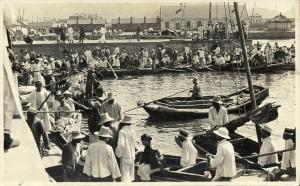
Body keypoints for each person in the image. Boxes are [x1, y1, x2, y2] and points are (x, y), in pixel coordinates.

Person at [115, 116, 137, 182]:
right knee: (130, 176)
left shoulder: (122, 132)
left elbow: (121, 144)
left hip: (125, 156)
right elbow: (135, 145)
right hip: (132, 156)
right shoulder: (133, 132)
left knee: (124, 177)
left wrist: (117, 154)